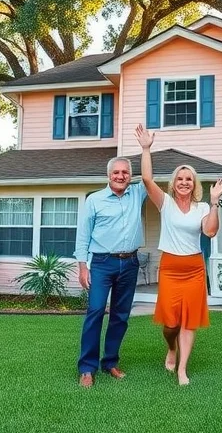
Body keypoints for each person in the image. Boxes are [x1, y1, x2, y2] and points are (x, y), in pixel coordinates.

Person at [134, 123, 222, 386]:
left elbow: (210, 232)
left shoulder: (202, 208)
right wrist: (146, 148)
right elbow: (147, 180)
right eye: (180, 179)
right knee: (171, 324)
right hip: (171, 268)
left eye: (189, 179)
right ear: (173, 183)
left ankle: (182, 369)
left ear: (194, 184)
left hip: (194, 269)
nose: (184, 182)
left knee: (189, 321)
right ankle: (171, 347)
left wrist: (215, 203)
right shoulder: (165, 203)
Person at [75, 155, 148, 388]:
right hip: (101, 263)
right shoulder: (94, 200)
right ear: (109, 175)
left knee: (120, 315)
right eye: (116, 172)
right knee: (96, 311)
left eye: (125, 172)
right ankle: (87, 368)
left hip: (130, 262)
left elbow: (148, 176)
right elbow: (83, 235)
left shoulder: (137, 193)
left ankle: (110, 362)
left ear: (130, 176)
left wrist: (146, 148)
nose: (120, 176)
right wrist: (82, 267)